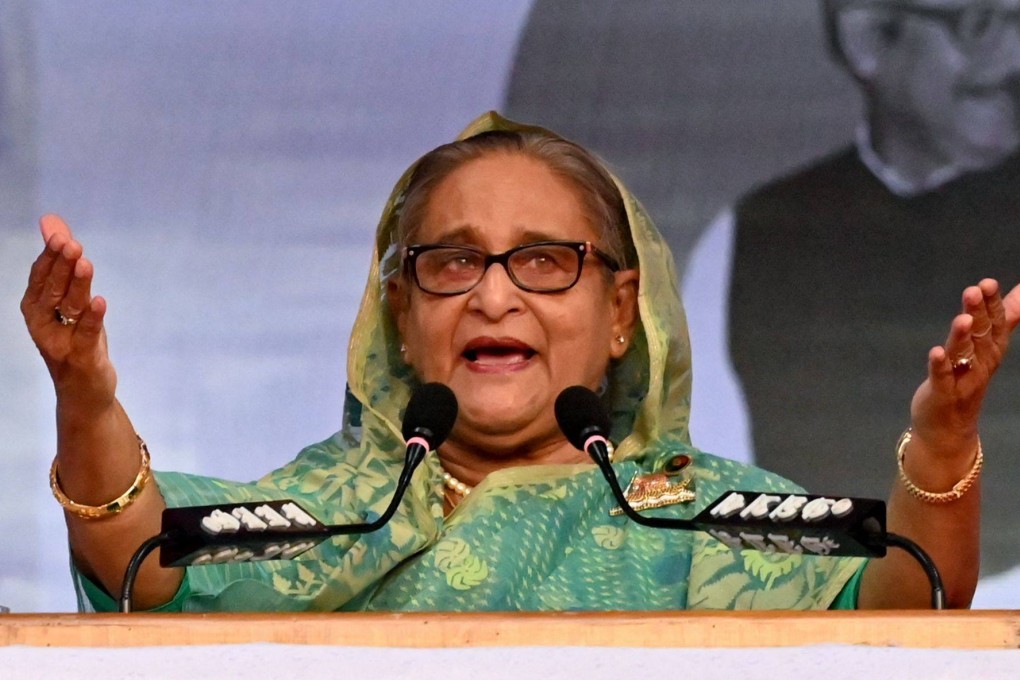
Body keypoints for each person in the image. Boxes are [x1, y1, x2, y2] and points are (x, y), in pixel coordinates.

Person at [21, 112, 1018, 612]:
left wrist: (940, 441)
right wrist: (84, 391)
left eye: (544, 260)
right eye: (453, 261)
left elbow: (912, 597)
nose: (495, 294)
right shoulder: (329, 514)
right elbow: (138, 553)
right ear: (402, 312)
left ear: (620, 310)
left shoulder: (708, 523)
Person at [682, 0, 1020, 582]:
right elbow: (706, 483)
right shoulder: (753, 234)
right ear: (867, 37)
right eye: (980, 24)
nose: (1015, 57)